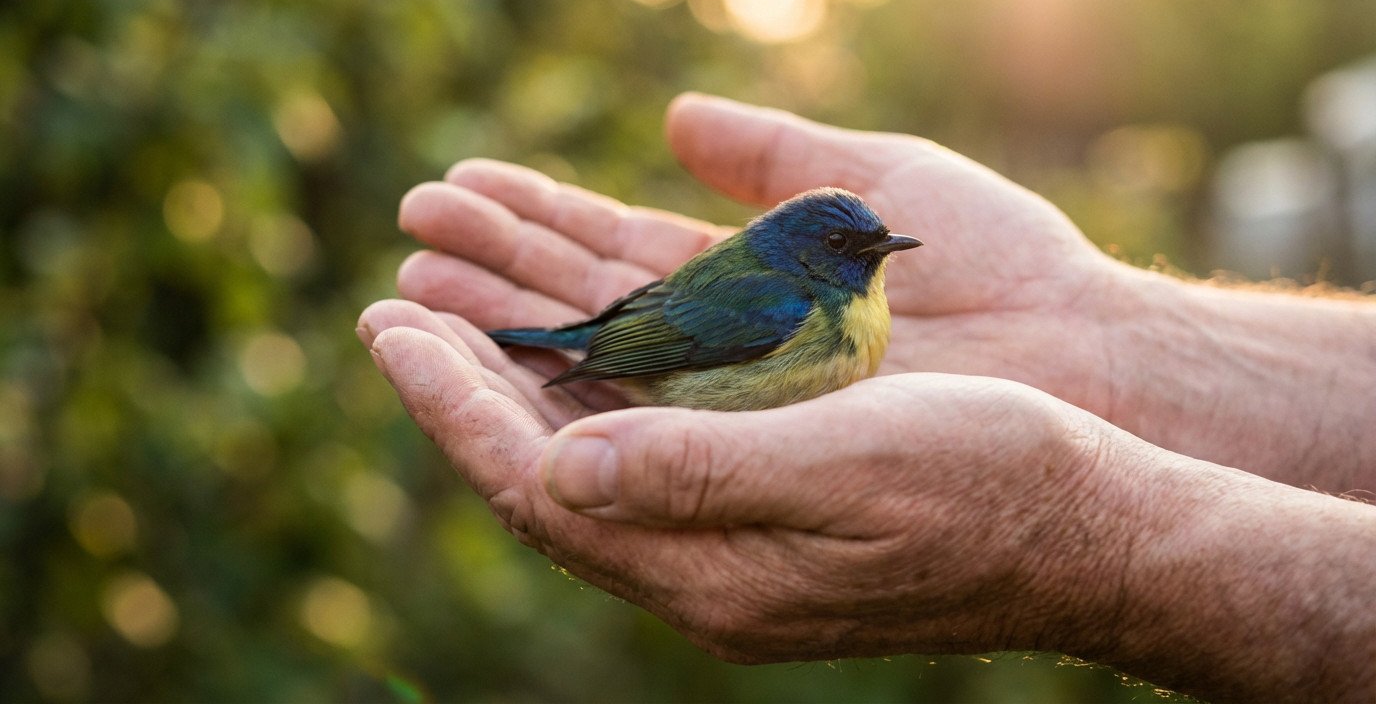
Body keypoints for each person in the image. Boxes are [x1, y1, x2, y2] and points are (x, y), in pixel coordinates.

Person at [356, 93, 1376, 703]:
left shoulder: (855, 306)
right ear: (815, 255)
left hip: (657, 318)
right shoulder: (779, 296)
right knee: (552, 336)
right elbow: (660, 334)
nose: (877, 258)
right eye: (857, 249)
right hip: (651, 346)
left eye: (876, 245)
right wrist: (585, 357)